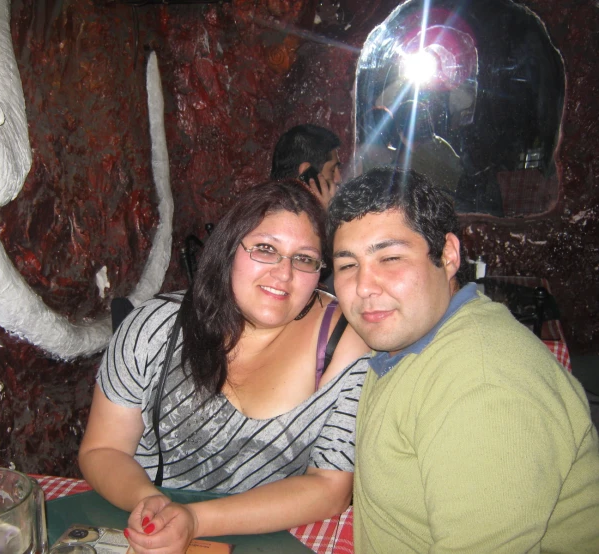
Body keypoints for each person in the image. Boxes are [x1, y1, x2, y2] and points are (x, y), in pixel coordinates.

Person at [80, 181, 370, 554]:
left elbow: (330, 489)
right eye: (266, 249)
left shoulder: (345, 346)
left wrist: (195, 520)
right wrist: (151, 505)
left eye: (304, 259)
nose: (284, 274)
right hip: (146, 526)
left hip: (271, 538)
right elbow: (103, 449)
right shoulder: (154, 328)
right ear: (230, 248)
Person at [327, 167, 599, 553]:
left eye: (389, 257)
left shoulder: (485, 390)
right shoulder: (406, 334)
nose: (364, 287)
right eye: (347, 265)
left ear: (448, 255)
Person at [270, 124, 342, 209]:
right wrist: (325, 212)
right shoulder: (286, 218)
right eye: (332, 170)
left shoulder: (269, 208)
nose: (338, 179)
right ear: (307, 173)